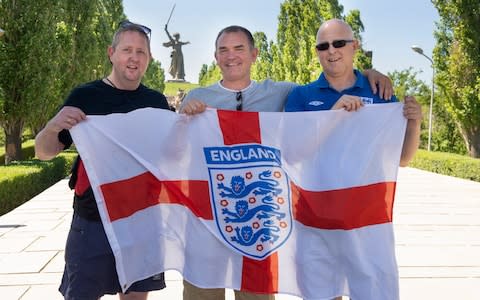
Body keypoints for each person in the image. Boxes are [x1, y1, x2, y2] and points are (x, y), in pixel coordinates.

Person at [179, 25, 395, 300]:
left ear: (254, 54)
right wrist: (184, 118)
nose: (231, 56)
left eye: (239, 48)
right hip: (206, 223)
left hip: (258, 227)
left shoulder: (282, 93)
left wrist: (366, 74)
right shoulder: (197, 97)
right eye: (224, 50)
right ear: (215, 57)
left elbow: (332, 77)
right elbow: (173, 157)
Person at [34, 20, 169, 300]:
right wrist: (53, 126)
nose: (134, 58)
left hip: (141, 220)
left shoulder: (157, 103)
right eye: (126, 50)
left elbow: (173, 157)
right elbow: (43, 152)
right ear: (111, 52)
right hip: (93, 220)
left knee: (135, 296)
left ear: (149, 58)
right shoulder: (85, 96)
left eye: (141, 52)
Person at [285, 19, 422, 167]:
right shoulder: (299, 95)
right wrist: (333, 116)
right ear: (317, 51)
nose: (331, 50)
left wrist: (415, 122)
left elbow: (402, 159)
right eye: (323, 46)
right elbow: (292, 156)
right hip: (318, 191)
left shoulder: (381, 92)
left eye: (339, 43)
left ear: (354, 46)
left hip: (368, 190)